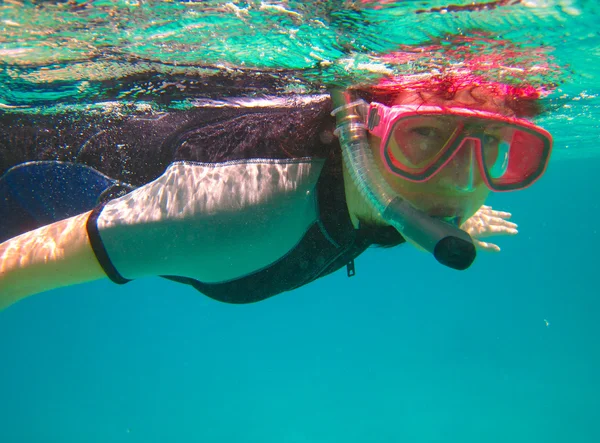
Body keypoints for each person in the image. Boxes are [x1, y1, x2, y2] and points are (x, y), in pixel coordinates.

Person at [0, 73, 553, 309]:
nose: (460, 181)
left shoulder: (400, 192)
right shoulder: (233, 208)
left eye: (495, 147)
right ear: (357, 130)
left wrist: (446, 209)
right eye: (424, 137)